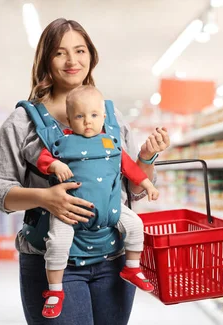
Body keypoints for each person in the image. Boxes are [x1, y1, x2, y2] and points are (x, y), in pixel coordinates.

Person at [0, 18, 170, 325]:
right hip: (52, 260)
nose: (72, 61)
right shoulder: (23, 121)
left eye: (80, 51)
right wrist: (45, 198)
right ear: (46, 60)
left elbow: (133, 188)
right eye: (60, 53)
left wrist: (147, 157)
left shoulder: (111, 116)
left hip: (113, 261)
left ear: (91, 57)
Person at [34, 85, 160, 318]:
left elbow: (130, 168)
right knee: (58, 243)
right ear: (69, 120)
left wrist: (148, 185)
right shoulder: (61, 143)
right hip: (69, 212)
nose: (87, 122)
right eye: (79, 116)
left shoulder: (110, 142)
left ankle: (132, 267)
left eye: (93, 115)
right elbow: (42, 158)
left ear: (104, 117)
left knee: (135, 225)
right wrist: (55, 165)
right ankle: (55, 290)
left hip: (111, 210)